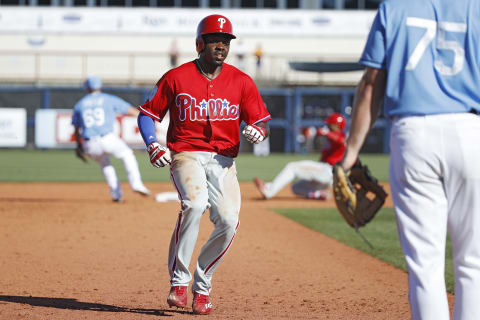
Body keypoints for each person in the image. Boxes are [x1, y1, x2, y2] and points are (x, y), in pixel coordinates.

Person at [341, 1, 480, 319]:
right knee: (474, 262)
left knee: (425, 265)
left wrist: (351, 154)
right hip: (471, 131)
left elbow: (371, 83)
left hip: (414, 133)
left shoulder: (395, 7)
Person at [136, 14, 271, 315]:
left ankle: (203, 283)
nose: (221, 45)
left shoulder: (241, 81)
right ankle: (180, 281)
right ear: (200, 43)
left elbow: (261, 119)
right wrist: (152, 144)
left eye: (226, 40)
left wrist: (259, 131)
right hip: (186, 154)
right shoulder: (176, 77)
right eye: (214, 39)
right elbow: (147, 114)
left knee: (228, 221)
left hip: (224, 161)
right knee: (194, 204)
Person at [72, 75, 150, 202]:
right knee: (127, 154)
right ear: (100, 86)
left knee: (104, 164)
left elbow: (76, 129)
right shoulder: (108, 99)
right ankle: (136, 184)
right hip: (107, 138)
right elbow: (130, 110)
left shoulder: (79, 105)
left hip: (89, 143)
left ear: (87, 88)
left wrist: (78, 146)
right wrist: (146, 117)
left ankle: (116, 195)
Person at [254, 112, 346, 200]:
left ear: (337, 126)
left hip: (330, 171)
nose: (328, 126)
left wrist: (326, 133)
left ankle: (269, 191)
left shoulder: (342, 136)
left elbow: (342, 141)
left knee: (292, 167)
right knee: (296, 187)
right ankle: (319, 194)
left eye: (330, 124)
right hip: (324, 175)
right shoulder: (331, 139)